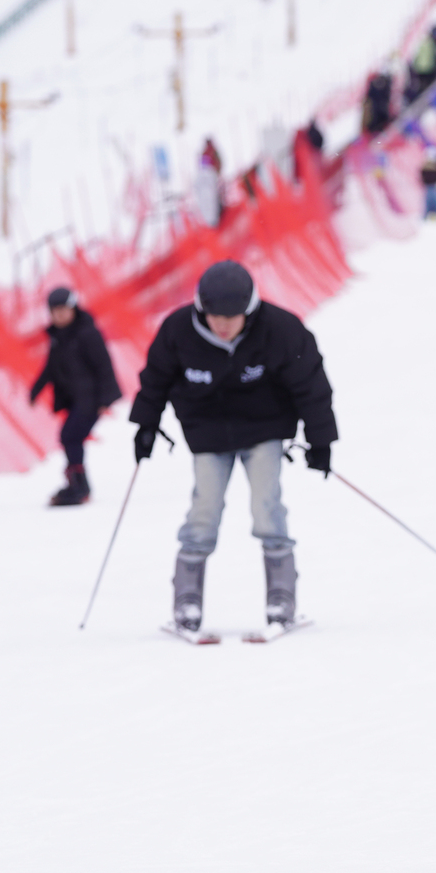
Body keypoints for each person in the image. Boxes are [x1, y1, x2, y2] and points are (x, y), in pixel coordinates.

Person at [129, 260, 337, 633]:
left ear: (249, 310)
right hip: (207, 435)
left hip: (263, 431)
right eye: (215, 317)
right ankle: (187, 599)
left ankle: (281, 597)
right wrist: (145, 424)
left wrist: (320, 439)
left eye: (232, 317)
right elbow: (155, 378)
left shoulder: (280, 330)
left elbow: (311, 383)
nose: (223, 325)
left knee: (266, 507)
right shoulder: (178, 331)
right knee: (204, 511)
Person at [28, 286, 122, 507]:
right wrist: (36, 389)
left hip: (91, 398)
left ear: (73, 309)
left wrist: (105, 399)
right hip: (75, 398)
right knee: (70, 437)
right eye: (55, 311)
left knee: (70, 435)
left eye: (64, 310)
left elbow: (104, 365)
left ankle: (78, 485)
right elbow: (50, 367)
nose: (60, 315)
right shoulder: (58, 337)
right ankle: (78, 484)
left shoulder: (87, 333)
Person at [194, 139, 224, 227]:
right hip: (212, 175)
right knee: (212, 194)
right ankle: (214, 219)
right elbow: (219, 162)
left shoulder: (205, 153)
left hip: (210, 176)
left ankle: (213, 220)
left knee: (210, 195)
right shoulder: (212, 152)